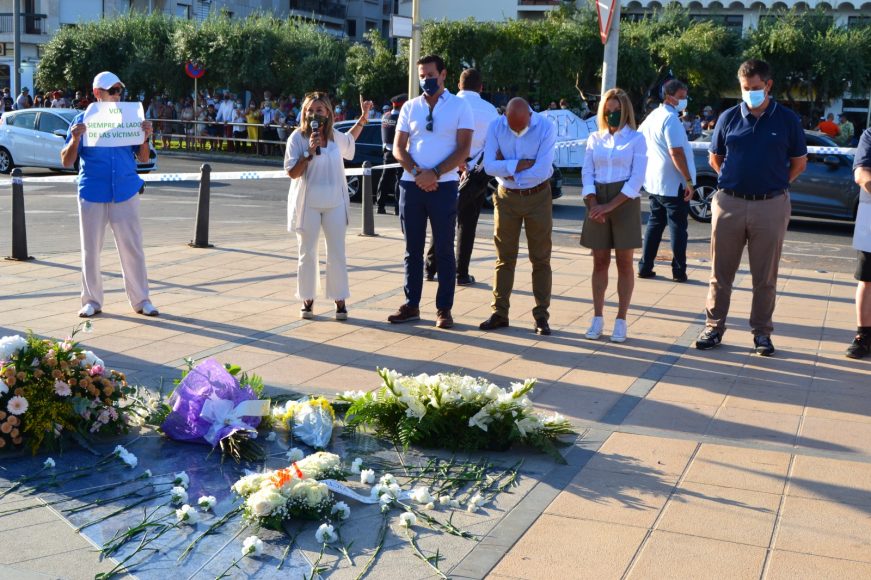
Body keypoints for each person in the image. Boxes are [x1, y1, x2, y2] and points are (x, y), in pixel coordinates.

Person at [696, 59, 807, 356]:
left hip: (770, 205)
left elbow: (799, 163)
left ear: (768, 85)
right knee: (720, 273)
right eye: (745, 88)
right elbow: (715, 158)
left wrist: (775, 184)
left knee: (765, 277)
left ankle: (762, 333)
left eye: (755, 88)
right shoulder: (728, 117)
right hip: (729, 202)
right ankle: (713, 327)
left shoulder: (787, 120)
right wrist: (732, 182)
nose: (749, 93)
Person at [60, 71, 159, 318]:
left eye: (118, 90)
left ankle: (141, 300)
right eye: (111, 91)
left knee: (133, 248)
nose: (117, 95)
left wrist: (145, 137)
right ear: (97, 93)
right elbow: (66, 161)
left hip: (125, 190)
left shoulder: (130, 119)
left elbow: (144, 158)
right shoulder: (82, 121)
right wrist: (74, 139)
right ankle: (91, 301)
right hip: (93, 191)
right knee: (90, 249)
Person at [388, 54, 474, 329]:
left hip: (444, 186)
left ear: (443, 74)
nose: (426, 80)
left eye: (430, 74)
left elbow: (464, 149)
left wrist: (434, 174)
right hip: (411, 185)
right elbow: (398, 148)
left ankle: (444, 309)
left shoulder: (460, 107)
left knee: (445, 250)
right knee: (412, 250)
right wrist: (416, 173)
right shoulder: (410, 107)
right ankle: (412, 305)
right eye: (421, 76)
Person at [285, 92, 373, 320]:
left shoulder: (335, 136)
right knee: (307, 253)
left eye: (320, 110)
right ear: (305, 113)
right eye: (310, 110)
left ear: (328, 113)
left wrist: (363, 118)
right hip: (308, 205)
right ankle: (307, 299)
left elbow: (351, 141)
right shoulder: (297, 138)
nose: (315, 114)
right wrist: (308, 154)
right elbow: (292, 173)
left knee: (337, 253)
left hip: (334, 203)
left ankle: (339, 299)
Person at [479, 97, 557, 335]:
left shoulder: (545, 127)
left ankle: (541, 316)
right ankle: (499, 313)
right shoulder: (496, 126)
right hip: (506, 198)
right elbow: (489, 166)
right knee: (504, 258)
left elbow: (542, 170)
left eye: (521, 127)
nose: (517, 132)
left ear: (530, 116)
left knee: (541, 259)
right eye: (512, 127)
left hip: (539, 197)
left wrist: (508, 168)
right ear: (506, 117)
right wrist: (518, 166)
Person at [580, 88, 648, 343]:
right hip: (597, 201)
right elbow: (587, 172)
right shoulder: (594, 138)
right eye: (608, 110)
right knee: (599, 261)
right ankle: (597, 317)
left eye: (616, 110)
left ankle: (621, 319)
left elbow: (637, 177)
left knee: (624, 263)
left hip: (624, 201)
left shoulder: (636, 139)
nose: (612, 114)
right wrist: (593, 203)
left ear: (625, 110)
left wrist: (609, 206)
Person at [425, 68, 500, 286]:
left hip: (445, 170)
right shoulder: (490, 111)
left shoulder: (446, 104)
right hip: (476, 174)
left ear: (459, 85)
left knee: (442, 219)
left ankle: (430, 267)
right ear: (481, 87)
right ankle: (461, 272)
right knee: (467, 224)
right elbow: (494, 145)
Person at [638, 79, 697, 283]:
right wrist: (688, 180)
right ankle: (679, 271)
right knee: (678, 229)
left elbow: (640, 139)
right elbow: (676, 152)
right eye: (682, 96)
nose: (684, 100)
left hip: (655, 181)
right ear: (670, 96)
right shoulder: (671, 119)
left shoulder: (653, 116)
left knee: (655, 225)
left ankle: (645, 266)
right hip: (673, 183)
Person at [847, 128, 871, 358]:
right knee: (867, 279)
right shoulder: (870, 136)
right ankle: (863, 336)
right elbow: (861, 173)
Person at [377, 94, 406, 215]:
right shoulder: (401, 118)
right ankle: (398, 208)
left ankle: (380, 205)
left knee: (385, 179)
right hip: (398, 152)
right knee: (399, 180)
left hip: (387, 152)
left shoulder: (386, 116)